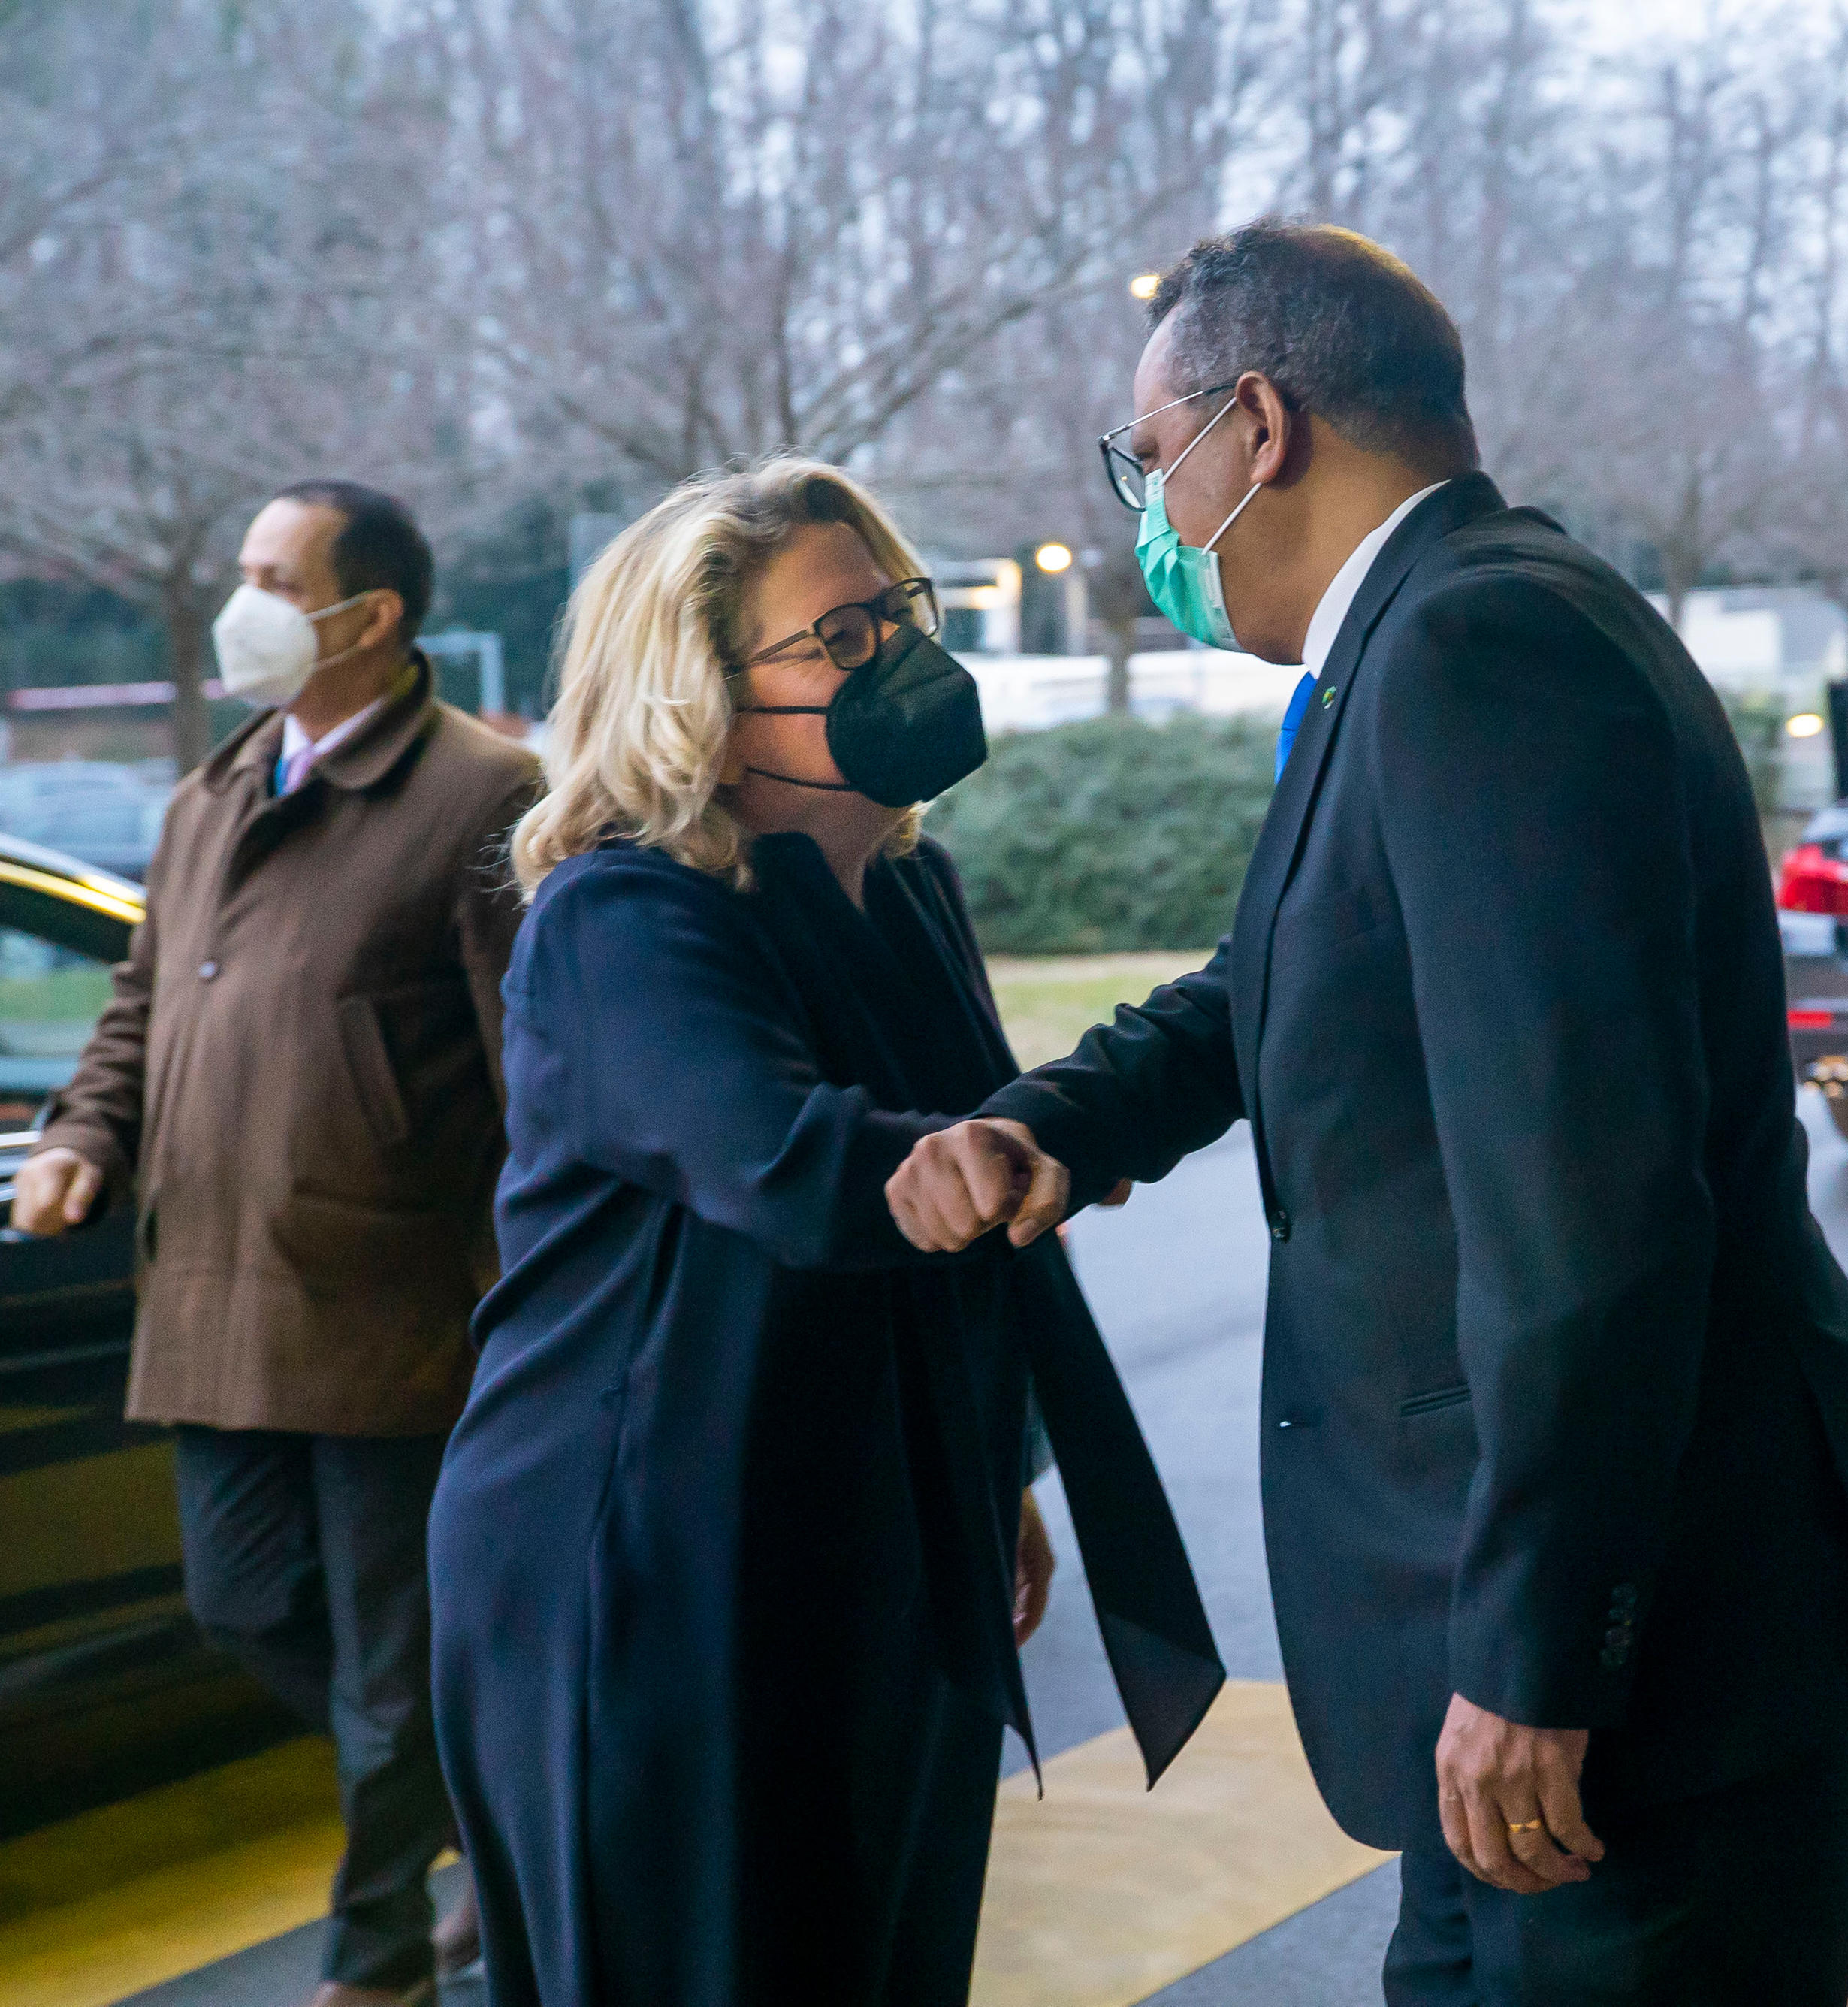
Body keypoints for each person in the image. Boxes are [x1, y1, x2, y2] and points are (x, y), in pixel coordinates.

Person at [888, 220, 1848, 2005]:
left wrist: (1541, 1657)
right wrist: (1056, 1125)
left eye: (1148, 458)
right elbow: (1279, 982)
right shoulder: (1424, 638)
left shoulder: (1480, 655)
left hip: (1640, 1689)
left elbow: (1589, 1210)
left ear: (1257, 425)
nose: (1147, 513)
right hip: (1558, 1675)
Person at [428, 461, 1220, 2007]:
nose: (896, 658)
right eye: (838, 638)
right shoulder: (625, 913)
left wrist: (985, 1470)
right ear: (696, 692)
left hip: (866, 1523)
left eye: (897, 614)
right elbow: (785, 1161)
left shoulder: (911, 887)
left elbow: (953, 1213)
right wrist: (984, 1159)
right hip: (651, 1560)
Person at [12, 480, 539, 2005]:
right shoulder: (212, 791)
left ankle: (377, 1962)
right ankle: (490, 1797)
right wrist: (77, 1138)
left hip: (396, 1311)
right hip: (210, 1292)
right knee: (239, 1604)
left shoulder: (480, 796)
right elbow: (138, 1007)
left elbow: (534, 1076)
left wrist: (528, 1304)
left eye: (267, 574)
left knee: (386, 1673)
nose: (236, 599)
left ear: (368, 616)